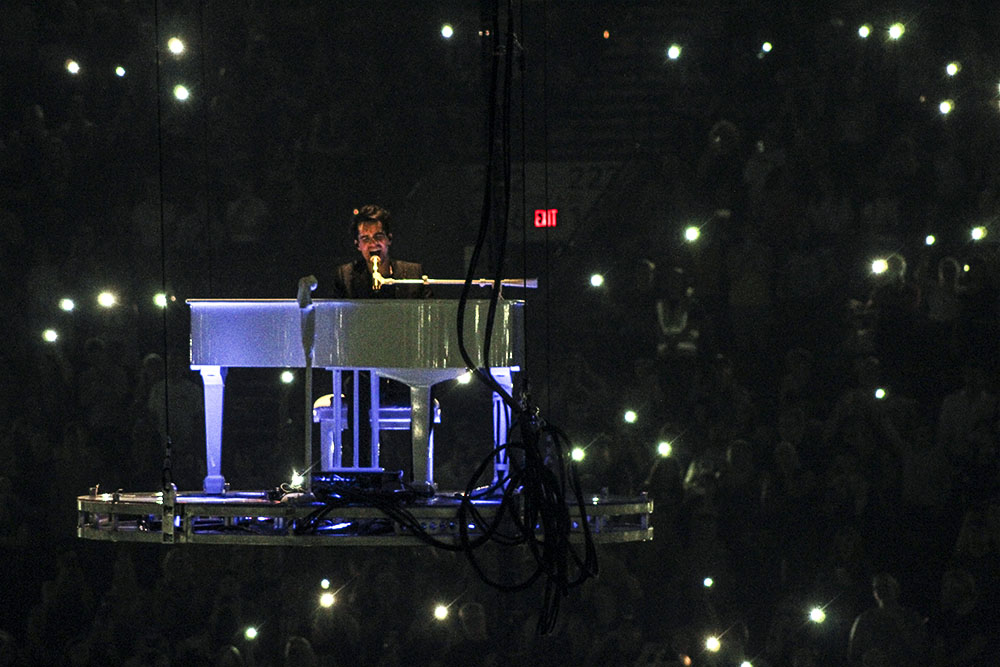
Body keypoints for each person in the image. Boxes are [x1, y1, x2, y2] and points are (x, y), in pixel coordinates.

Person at [330, 204, 431, 299]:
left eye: (378, 236)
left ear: (389, 239)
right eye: (365, 238)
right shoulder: (345, 276)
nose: (373, 244)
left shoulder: (413, 273)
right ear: (357, 245)